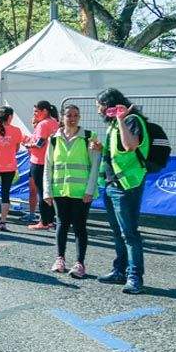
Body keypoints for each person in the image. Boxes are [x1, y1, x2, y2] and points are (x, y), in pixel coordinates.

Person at [95, 88, 149, 294]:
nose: (98, 110)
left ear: (108, 104)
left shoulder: (130, 120)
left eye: (99, 105)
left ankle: (135, 277)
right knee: (117, 233)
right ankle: (120, 270)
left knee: (130, 233)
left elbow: (130, 146)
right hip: (111, 185)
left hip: (127, 185)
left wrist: (120, 119)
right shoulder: (113, 125)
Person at [43, 104, 100, 279]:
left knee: (80, 226)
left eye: (76, 115)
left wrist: (90, 190)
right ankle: (60, 259)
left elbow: (95, 165)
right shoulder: (54, 138)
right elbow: (48, 166)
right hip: (60, 190)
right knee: (61, 224)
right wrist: (47, 191)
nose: (72, 118)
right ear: (62, 117)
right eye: (69, 115)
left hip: (81, 192)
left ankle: (79, 263)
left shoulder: (89, 137)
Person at [25, 101, 60, 230]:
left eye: (36, 111)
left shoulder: (43, 124)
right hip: (51, 161)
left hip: (39, 161)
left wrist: (27, 144)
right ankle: (50, 220)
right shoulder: (54, 122)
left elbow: (39, 144)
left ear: (44, 111)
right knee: (48, 191)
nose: (34, 114)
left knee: (42, 192)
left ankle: (44, 222)